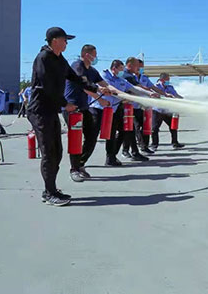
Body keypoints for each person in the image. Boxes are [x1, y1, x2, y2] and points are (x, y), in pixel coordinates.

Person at [27, 27, 107, 207]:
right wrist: (65, 103)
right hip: (40, 111)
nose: (66, 44)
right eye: (65, 40)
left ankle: (50, 189)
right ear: (55, 40)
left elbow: (75, 78)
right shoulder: (43, 58)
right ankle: (50, 192)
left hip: (50, 111)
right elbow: (46, 86)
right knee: (49, 152)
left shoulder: (60, 59)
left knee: (57, 152)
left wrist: (97, 88)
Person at [62, 44, 112, 182]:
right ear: (86, 55)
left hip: (84, 107)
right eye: (94, 55)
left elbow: (105, 85)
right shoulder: (77, 66)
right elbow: (83, 85)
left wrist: (119, 93)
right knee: (76, 139)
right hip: (72, 108)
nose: (96, 58)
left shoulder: (93, 71)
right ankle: (74, 169)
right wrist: (100, 98)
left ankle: (80, 164)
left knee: (92, 136)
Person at [125, 57, 169, 155]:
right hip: (131, 106)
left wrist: (164, 94)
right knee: (133, 128)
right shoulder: (128, 76)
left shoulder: (144, 78)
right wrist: (149, 92)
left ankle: (144, 146)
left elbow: (152, 87)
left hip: (142, 106)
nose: (140, 69)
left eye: (141, 67)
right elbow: (138, 88)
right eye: (139, 67)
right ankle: (128, 150)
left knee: (145, 126)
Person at [152, 73, 186, 150]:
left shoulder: (170, 87)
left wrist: (183, 99)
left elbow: (176, 95)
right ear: (161, 80)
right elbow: (153, 95)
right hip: (158, 110)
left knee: (173, 127)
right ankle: (154, 145)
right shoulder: (155, 87)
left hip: (168, 110)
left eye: (168, 79)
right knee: (154, 128)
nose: (168, 81)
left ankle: (175, 143)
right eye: (167, 79)